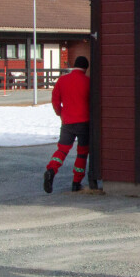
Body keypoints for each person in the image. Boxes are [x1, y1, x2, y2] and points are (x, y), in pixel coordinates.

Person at [43, 55, 91, 194]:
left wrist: (60, 113)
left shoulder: (62, 80)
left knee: (62, 150)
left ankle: (51, 169)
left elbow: (55, 99)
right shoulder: (87, 82)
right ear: (85, 68)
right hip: (84, 122)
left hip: (67, 122)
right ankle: (76, 182)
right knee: (82, 153)